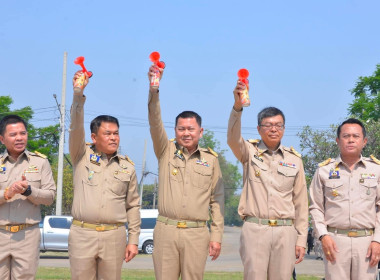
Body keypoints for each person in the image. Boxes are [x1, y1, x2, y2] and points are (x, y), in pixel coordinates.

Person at [147, 65, 224, 280]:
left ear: (200, 131)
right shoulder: (165, 150)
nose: (186, 133)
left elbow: (217, 201)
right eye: (181, 129)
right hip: (166, 230)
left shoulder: (210, 160)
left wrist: (216, 236)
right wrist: (154, 89)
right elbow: (154, 120)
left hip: (196, 232)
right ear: (175, 131)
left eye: (191, 129)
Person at [227, 80, 308, 280]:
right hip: (256, 228)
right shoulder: (248, 151)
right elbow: (232, 138)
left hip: (285, 231)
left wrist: (301, 239)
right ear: (259, 128)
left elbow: (301, 203)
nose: (273, 129)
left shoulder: (294, 160)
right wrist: (238, 107)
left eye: (278, 125)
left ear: (284, 128)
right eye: (268, 125)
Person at [69, 71, 141, 280]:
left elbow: (133, 205)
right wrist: (78, 95)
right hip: (83, 234)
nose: (113, 138)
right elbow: (75, 128)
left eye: (116, 133)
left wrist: (133, 239)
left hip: (114, 235)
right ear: (94, 137)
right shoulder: (80, 154)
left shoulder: (127, 167)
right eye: (107, 134)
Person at [309, 118, 380, 280]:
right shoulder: (324, 171)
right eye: (346, 136)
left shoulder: (376, 170)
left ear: (364, 141)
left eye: (356, 136)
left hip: (367, 242)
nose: (351, 140)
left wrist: (378, 240)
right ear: (337, 140)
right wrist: (323, 236)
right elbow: (315, 207)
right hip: (335, 241)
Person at [0, 115, 56, 279]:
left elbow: (50, 196)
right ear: (2, 139)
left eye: (22, 133)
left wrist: (29, 191)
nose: (19, 138)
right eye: (13, 134)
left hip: (27, 235)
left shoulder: (40, 162)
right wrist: (7, 193)